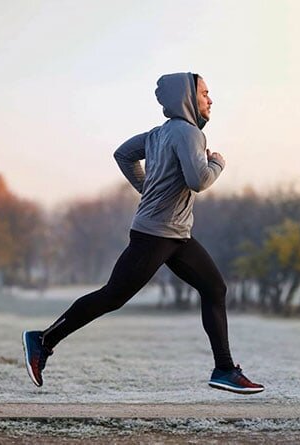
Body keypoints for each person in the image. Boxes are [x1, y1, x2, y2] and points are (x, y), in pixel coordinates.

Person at [22, 72, 264, 395]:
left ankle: (224, 369)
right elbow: (198, 180)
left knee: (214, 288)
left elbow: (123, 154)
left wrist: (145, 187)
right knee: (112, 296)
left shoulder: (159, 134)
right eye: (205, 93)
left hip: (176, 236)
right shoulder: (190, 134)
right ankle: (42, 341)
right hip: (156, 235)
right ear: (188, 98)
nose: (210, 100)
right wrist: (217, 163)